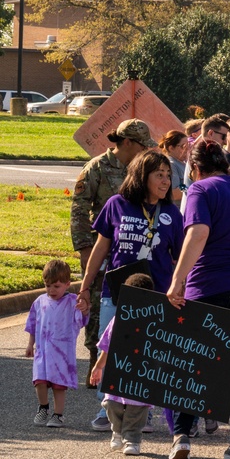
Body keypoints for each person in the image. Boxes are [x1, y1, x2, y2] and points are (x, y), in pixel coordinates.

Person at [166, 140, 230, 459]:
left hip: (212, 283)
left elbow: (198, 233)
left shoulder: (200, 189)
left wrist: (177, 279)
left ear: (195, 168)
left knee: (194, 358)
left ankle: (183, 435)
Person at [77, 149, 184, 430]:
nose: (165, 181)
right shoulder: (116, 205)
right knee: (110, 347)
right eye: (158, 175)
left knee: (145, 352)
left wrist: (179, 290)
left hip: (156, 295)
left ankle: (142, 411)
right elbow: (101, 249)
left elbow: (179, 258)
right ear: (141, 176)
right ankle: (107, 410)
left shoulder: (172, 213)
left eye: (167, 176)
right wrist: (85, 288)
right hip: (117, 293)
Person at [71, 118, 155, 387]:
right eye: (143, 145)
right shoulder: (97, 167)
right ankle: (96, 361)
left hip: (131, 251)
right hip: (101, 247)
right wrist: (85, 249)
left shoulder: (140, 171)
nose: (145, 151)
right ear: (127, 142)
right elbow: (79, 210)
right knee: (98, 306)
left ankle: (122, 363)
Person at [90, 272, 156, 455]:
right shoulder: (119, 318)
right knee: (112, 404)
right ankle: (117, 432)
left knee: (137, 408)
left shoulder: (155, 321)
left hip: (142, 374)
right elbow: (107, 345)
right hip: (119, 371)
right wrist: (98, 366)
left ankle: (132, 439)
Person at [26, 259, 87, 429]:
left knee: (59, 385)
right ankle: (43, 407)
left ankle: (58, 414)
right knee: (40, 381)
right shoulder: (39, 302)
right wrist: (30, 344)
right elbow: (33, 324)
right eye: (48, 286)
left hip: (62, 352)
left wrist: (84, 308)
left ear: (67, 284)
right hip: (42, 351)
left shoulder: (72, 302)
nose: (51, 290)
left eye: (57, 286)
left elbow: (81, 320)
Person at [159, 130, 189, 202]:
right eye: (183, 146)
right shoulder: (171, 165)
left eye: (188, 145)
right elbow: (173, 193)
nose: (187, 149)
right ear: (171, 148)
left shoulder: (184, 163)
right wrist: (195, 188)